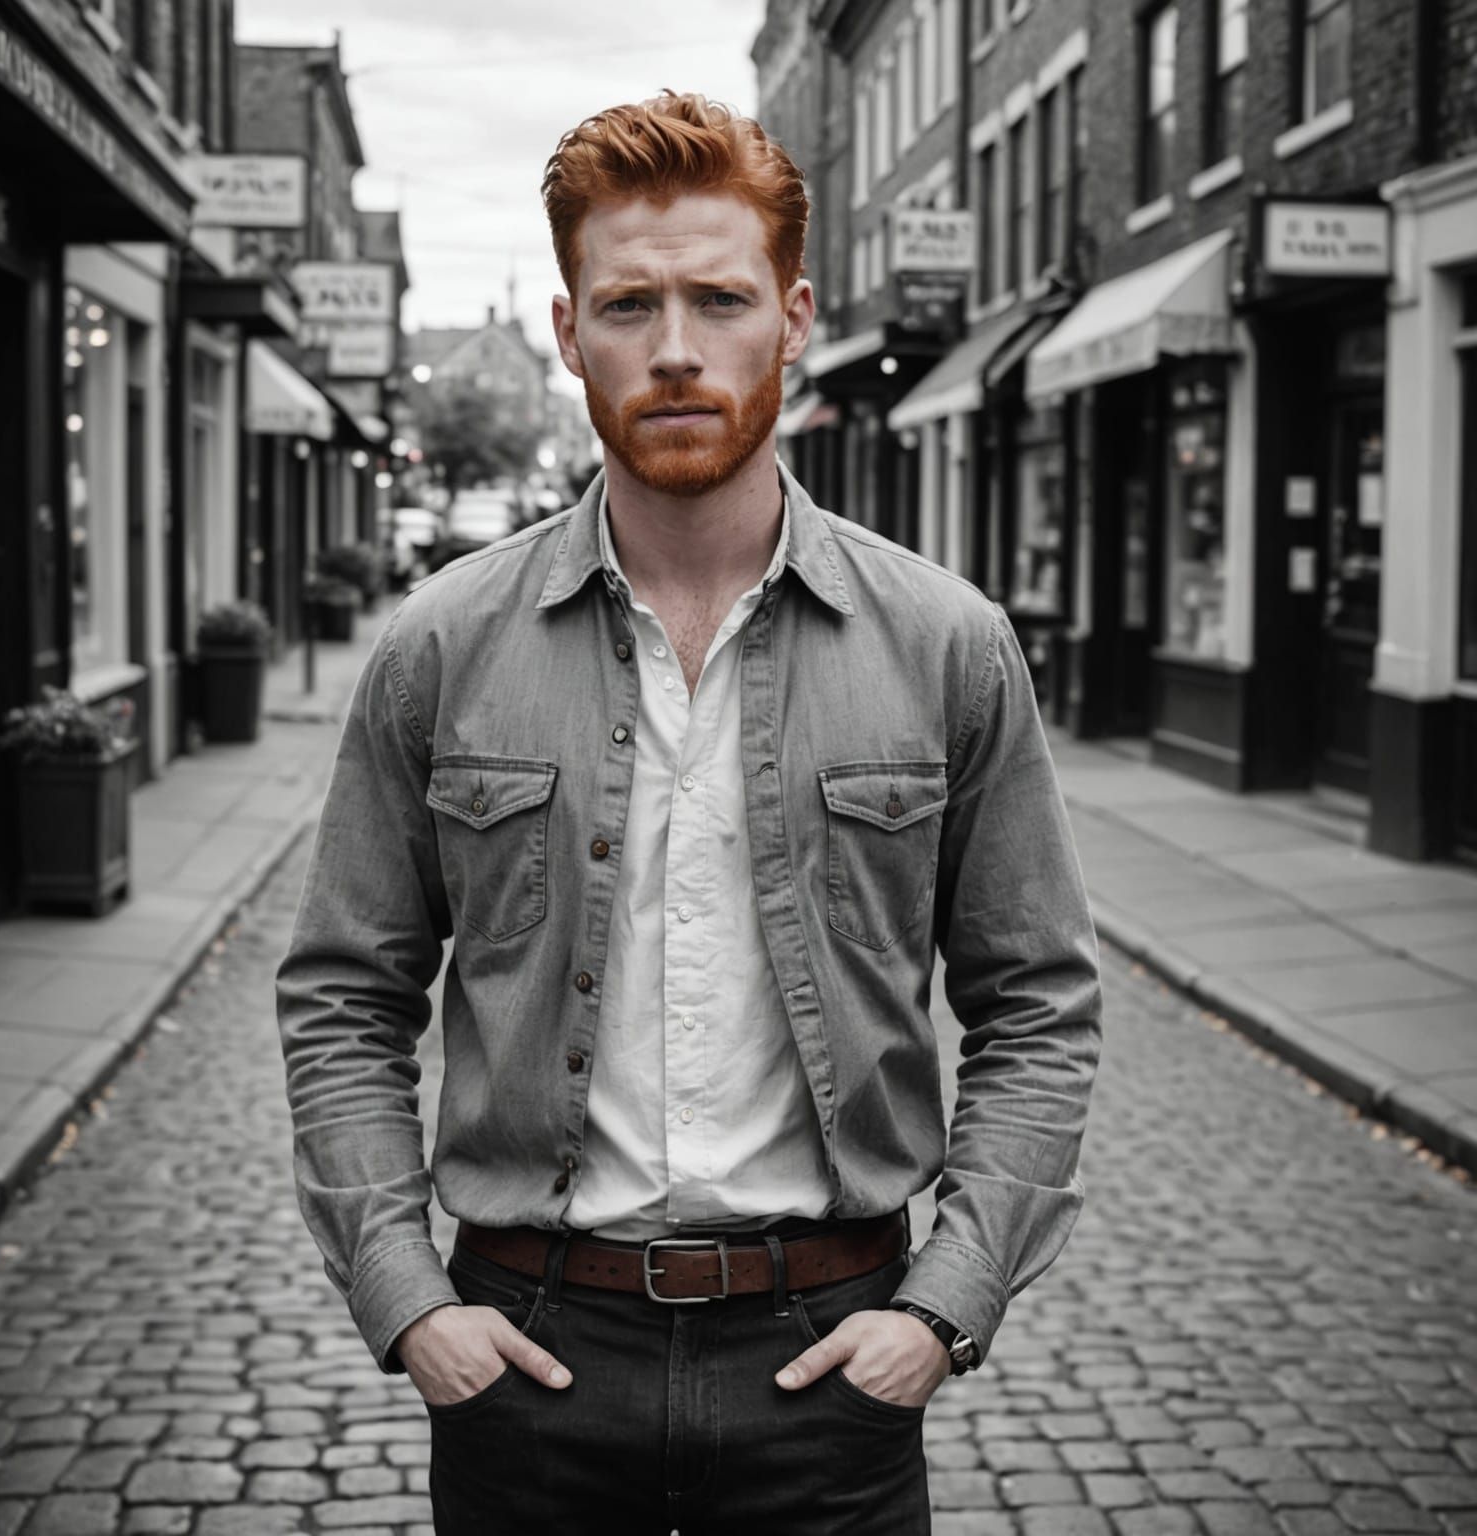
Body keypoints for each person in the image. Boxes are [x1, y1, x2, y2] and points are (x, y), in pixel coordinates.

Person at [276, 90, 1102, 1535]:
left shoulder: (945, 645)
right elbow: (347, 994)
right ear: (565, 331)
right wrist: (408, 1301)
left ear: (790, 318)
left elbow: (1036, 1000)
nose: (671, 349)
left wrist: (944, 1307)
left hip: (832, 1362)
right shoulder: (442, 645)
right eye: (626, 304)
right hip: (527, 1359)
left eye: (717, 300)